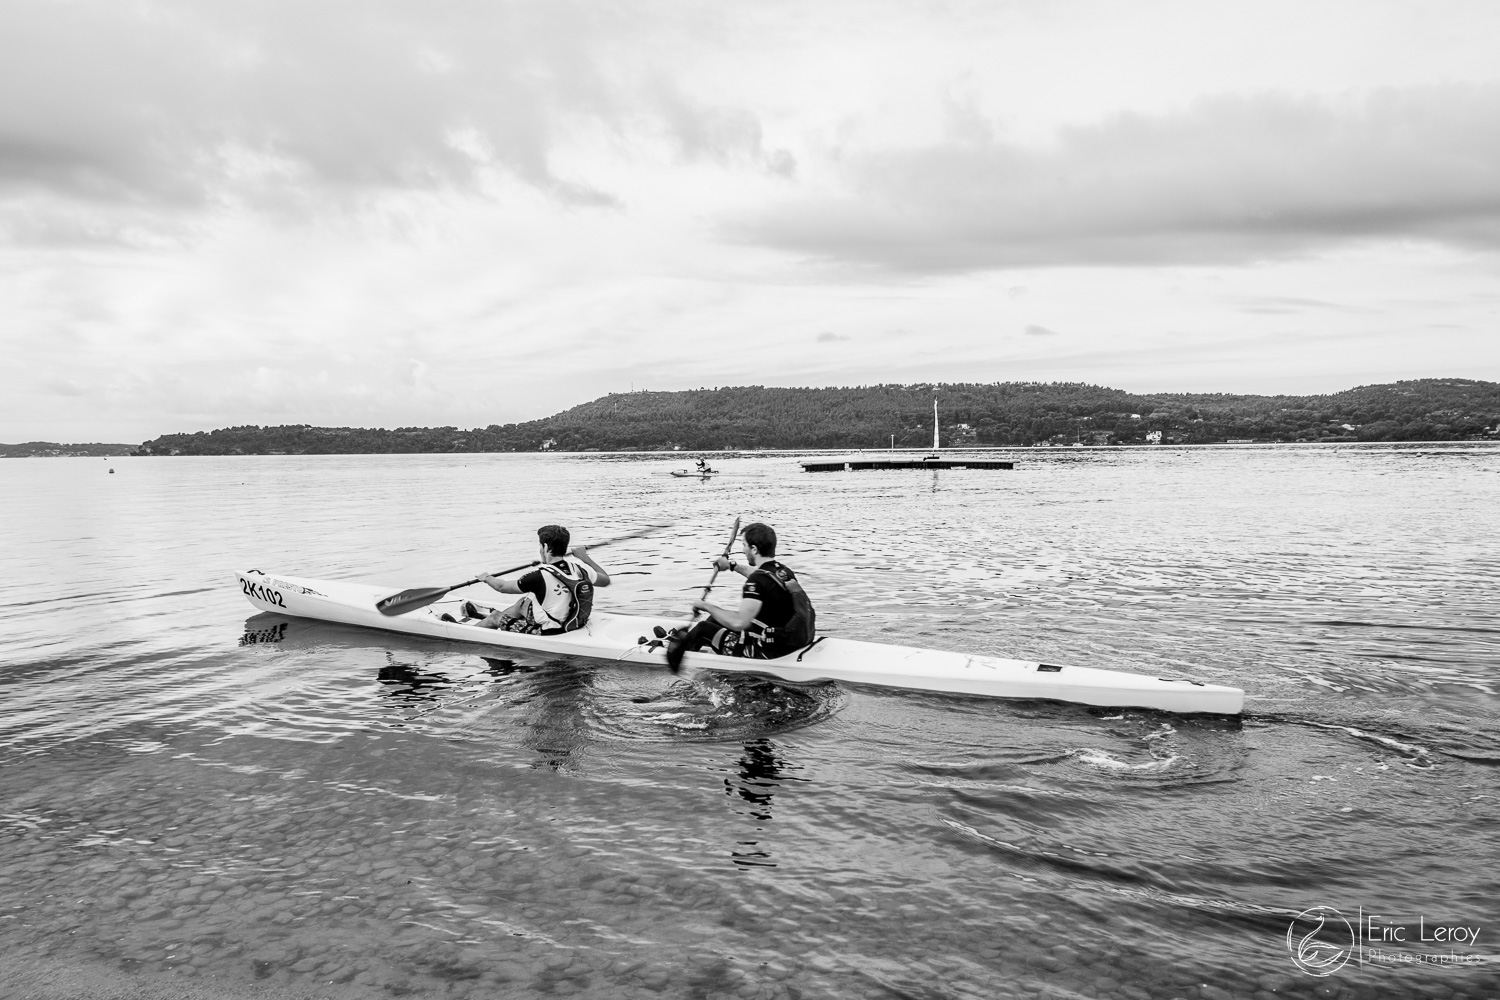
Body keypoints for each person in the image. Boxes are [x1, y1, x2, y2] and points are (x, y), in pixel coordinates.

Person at [665, 522, 816, 671]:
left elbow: (739, 623)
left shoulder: (756, 582)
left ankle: (678, 659)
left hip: (765, 652)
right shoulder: (782, 571)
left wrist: (705, 606)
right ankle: (697, 648)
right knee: (713, 620)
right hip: (787, 641)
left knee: (702, 628)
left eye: (744, 545)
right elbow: (759, 575)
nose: (743, 550)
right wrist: (731, 565)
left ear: (754, 549)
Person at [459, 525, 611, 634]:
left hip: (551, 630)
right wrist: (585, 558)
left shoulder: (538, 577)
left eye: (539, 546)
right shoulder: (580, 569)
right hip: (575, 622)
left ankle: (469, 631)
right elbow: (605, 580)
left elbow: (502, 587)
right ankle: (494, 617)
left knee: (495, 617)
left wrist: (486, 578)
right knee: (525, 601)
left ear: (545, 547)